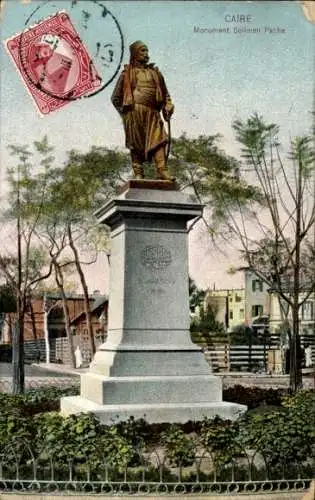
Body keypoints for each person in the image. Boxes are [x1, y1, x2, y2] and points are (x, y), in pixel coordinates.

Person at [111, 41, 175, 181]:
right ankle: (138, 173)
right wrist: (125, 115)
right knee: (136, 143)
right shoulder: (127, 74)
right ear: (134, 53)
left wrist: (168, 105)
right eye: (142, 51)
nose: (146, 54)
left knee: (160, 139)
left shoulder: (155, 73)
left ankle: (162, 170)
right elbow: (115, 98)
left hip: (153, 113)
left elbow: (165, 95)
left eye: (147, 51)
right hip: (134, 113)